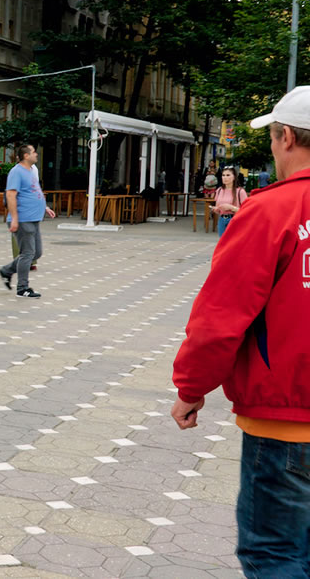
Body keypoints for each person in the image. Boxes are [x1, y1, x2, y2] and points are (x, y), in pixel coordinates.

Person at [170, 85, 310, 577]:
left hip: (288, 420)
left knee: (276, 556)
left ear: (286, 137)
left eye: (273, 138)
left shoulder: (270, 211)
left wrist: (191, 388)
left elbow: (220, 320)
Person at [0, 145, 55, 298]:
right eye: (33, 152)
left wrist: (44, 207)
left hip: (33, 218)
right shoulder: (17, 172)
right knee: (27, 253)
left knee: (36, 252)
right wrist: (15, 218)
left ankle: (7, 270)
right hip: (23, 219)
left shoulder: (31, 171)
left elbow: (33, 192)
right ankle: (22, 288)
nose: (36, 154)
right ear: (25, 156)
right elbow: (10, 195)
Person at [212, 165, 247, 237]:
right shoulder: (219, 190)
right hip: (222, 220)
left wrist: (231, 207)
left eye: (228, 175)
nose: (225, 177)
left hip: (235, 220)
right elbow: (217, 207)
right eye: (223, 175)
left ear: (234, 177)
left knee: (233, 245)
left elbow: (247, 211)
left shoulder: (240, 191)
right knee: (222, 244)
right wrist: (216, 209)